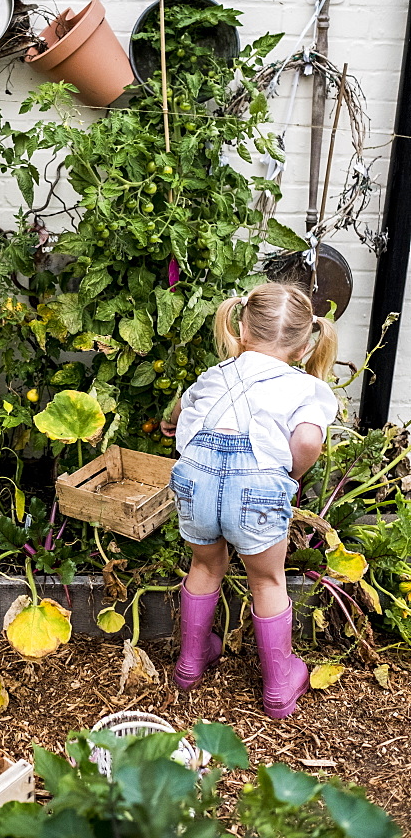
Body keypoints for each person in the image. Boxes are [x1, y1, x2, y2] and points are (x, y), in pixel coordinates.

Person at [160, 282, 338, 719]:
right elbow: (310, 439)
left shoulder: (216, 373)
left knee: (204, 565)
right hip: (256, 489)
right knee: (268, 582)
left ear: (240, 327)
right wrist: (292, 474)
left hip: (195, 480)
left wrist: (171, 425)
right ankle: (278, 687)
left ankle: (189, 663)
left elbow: (183, 409)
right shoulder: (304, 388)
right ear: (304, 346)